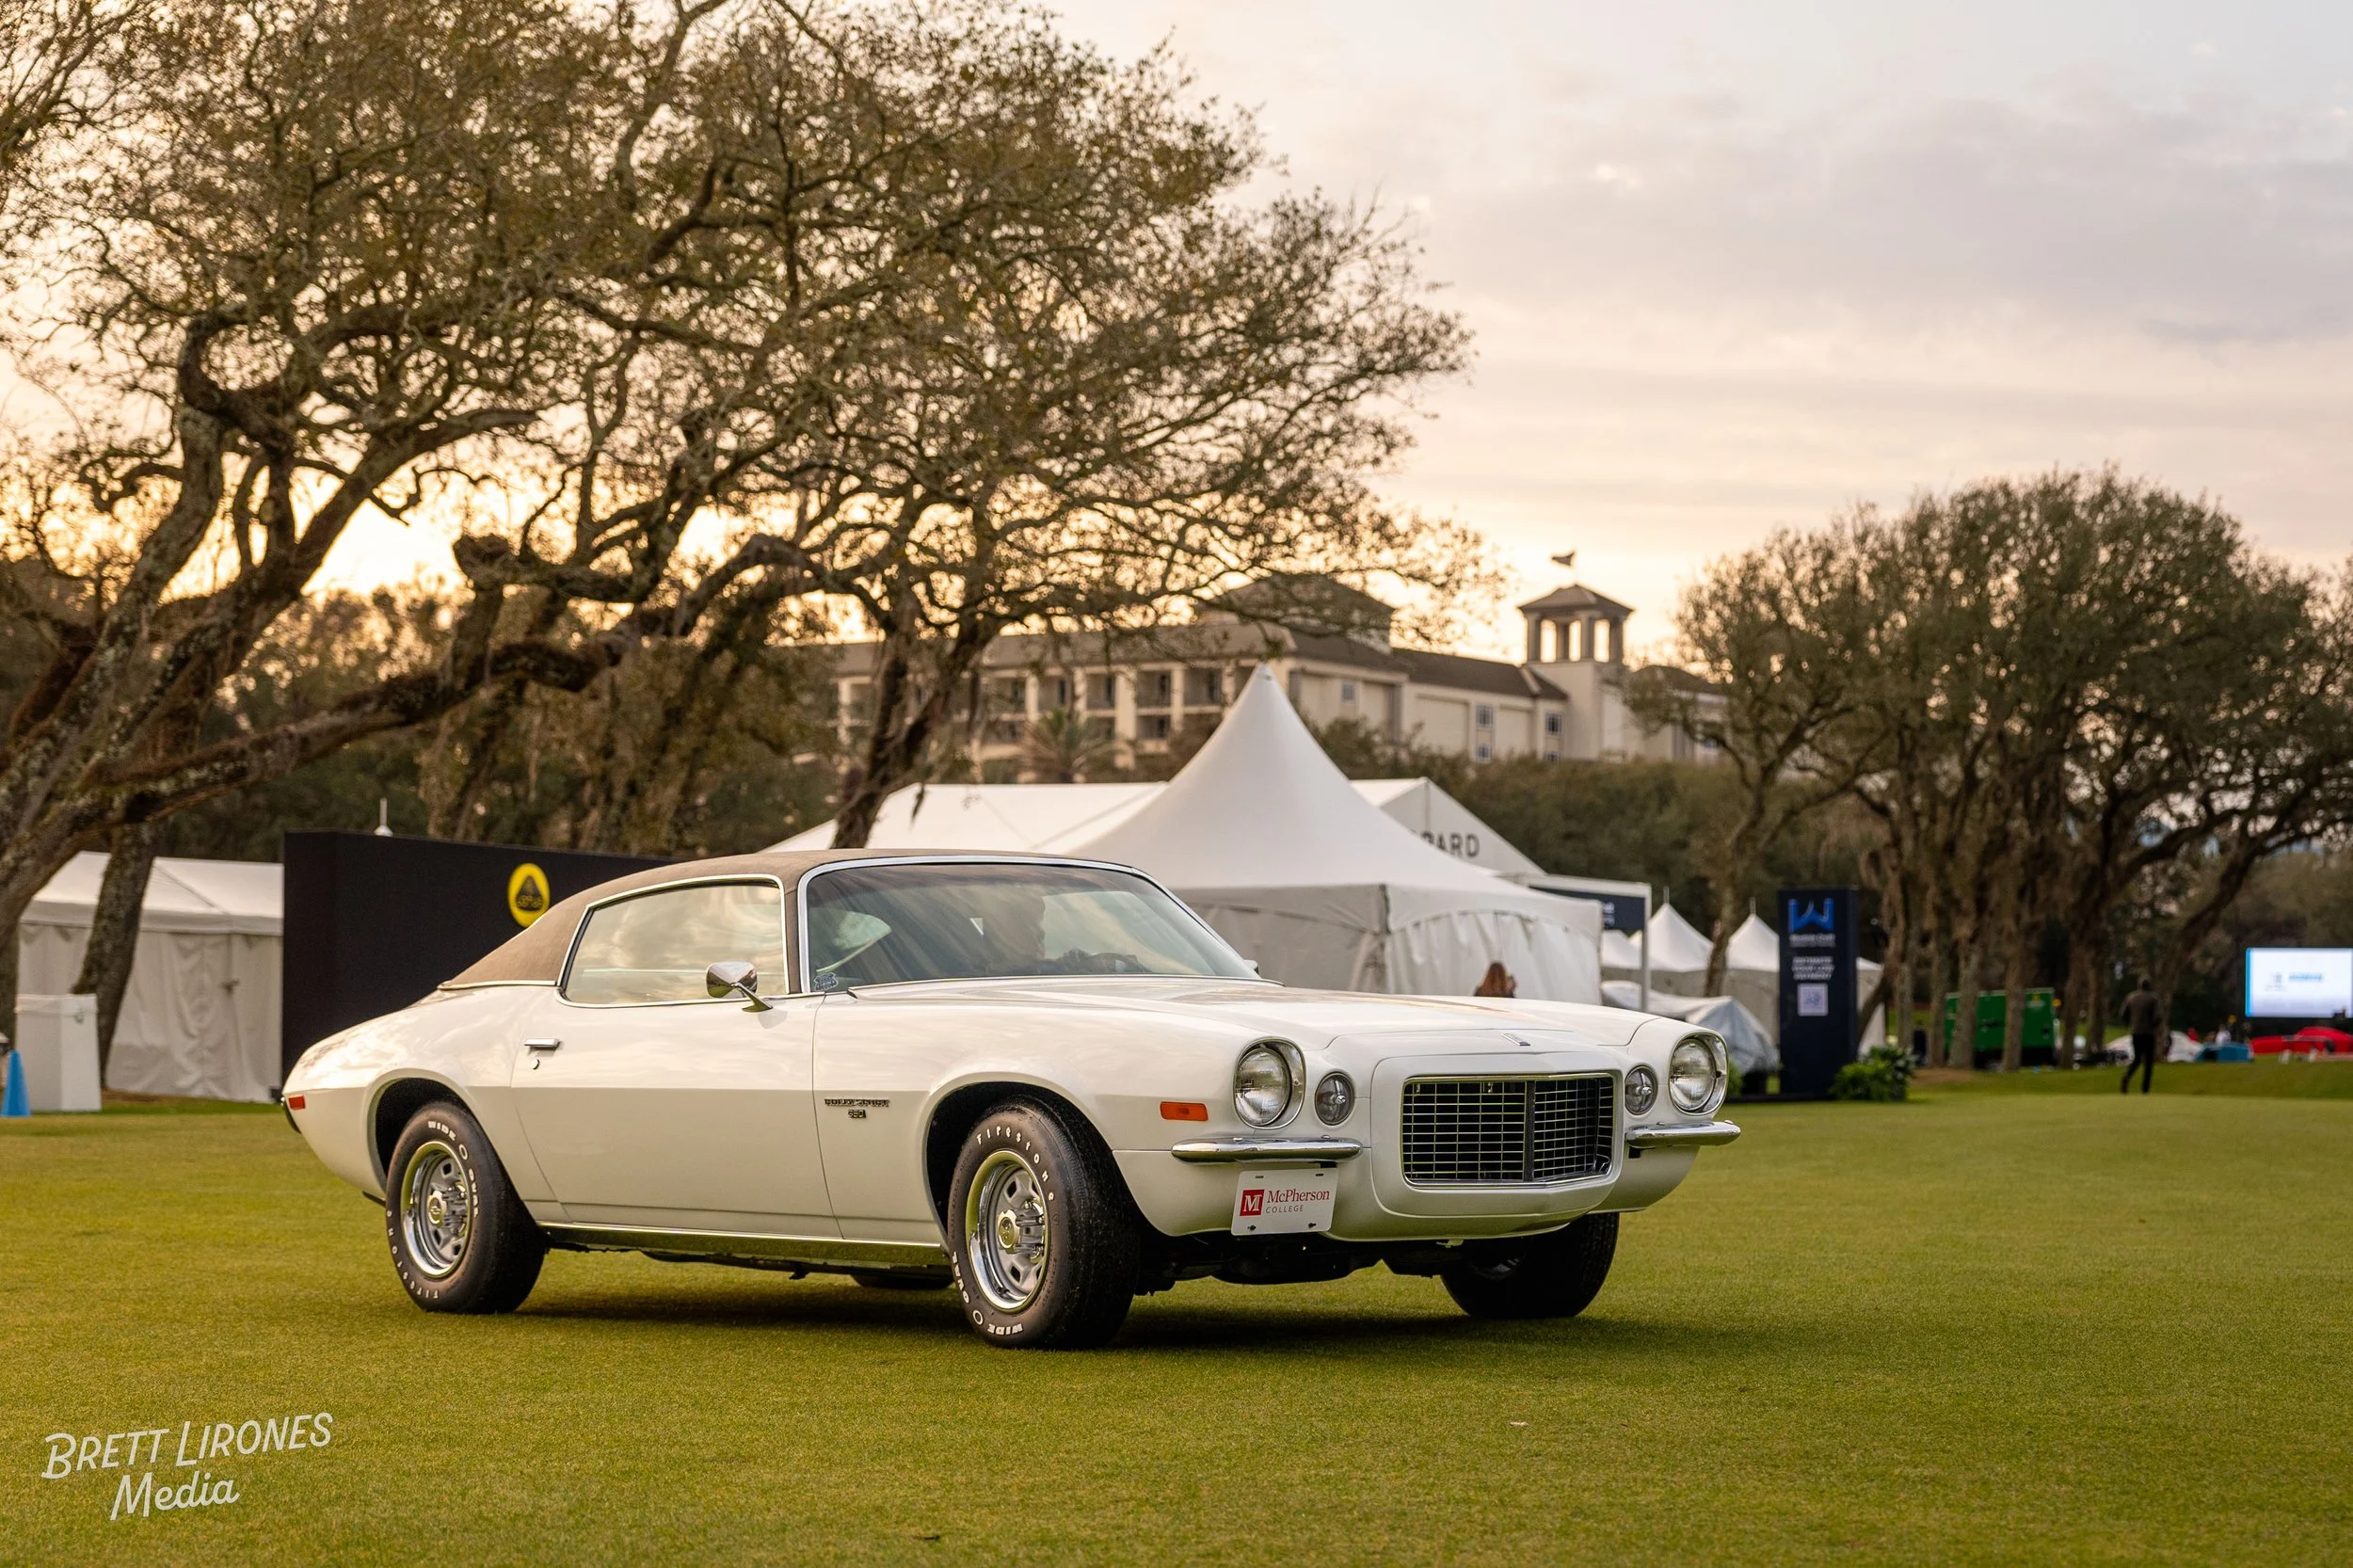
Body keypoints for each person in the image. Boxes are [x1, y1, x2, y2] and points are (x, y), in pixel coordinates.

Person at [2121, 977, 2163, 1094]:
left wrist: (2131, 1024)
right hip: (2148, 1033)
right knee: (2148, 1061)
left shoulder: (2131, 997)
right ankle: (2145, 1089)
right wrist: (2153, 1026)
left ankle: (2127, 1076)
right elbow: (2158, 1016)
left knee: (2137, 1058)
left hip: (2136, 1032)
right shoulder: (2153, 998)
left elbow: (2123, 1014)